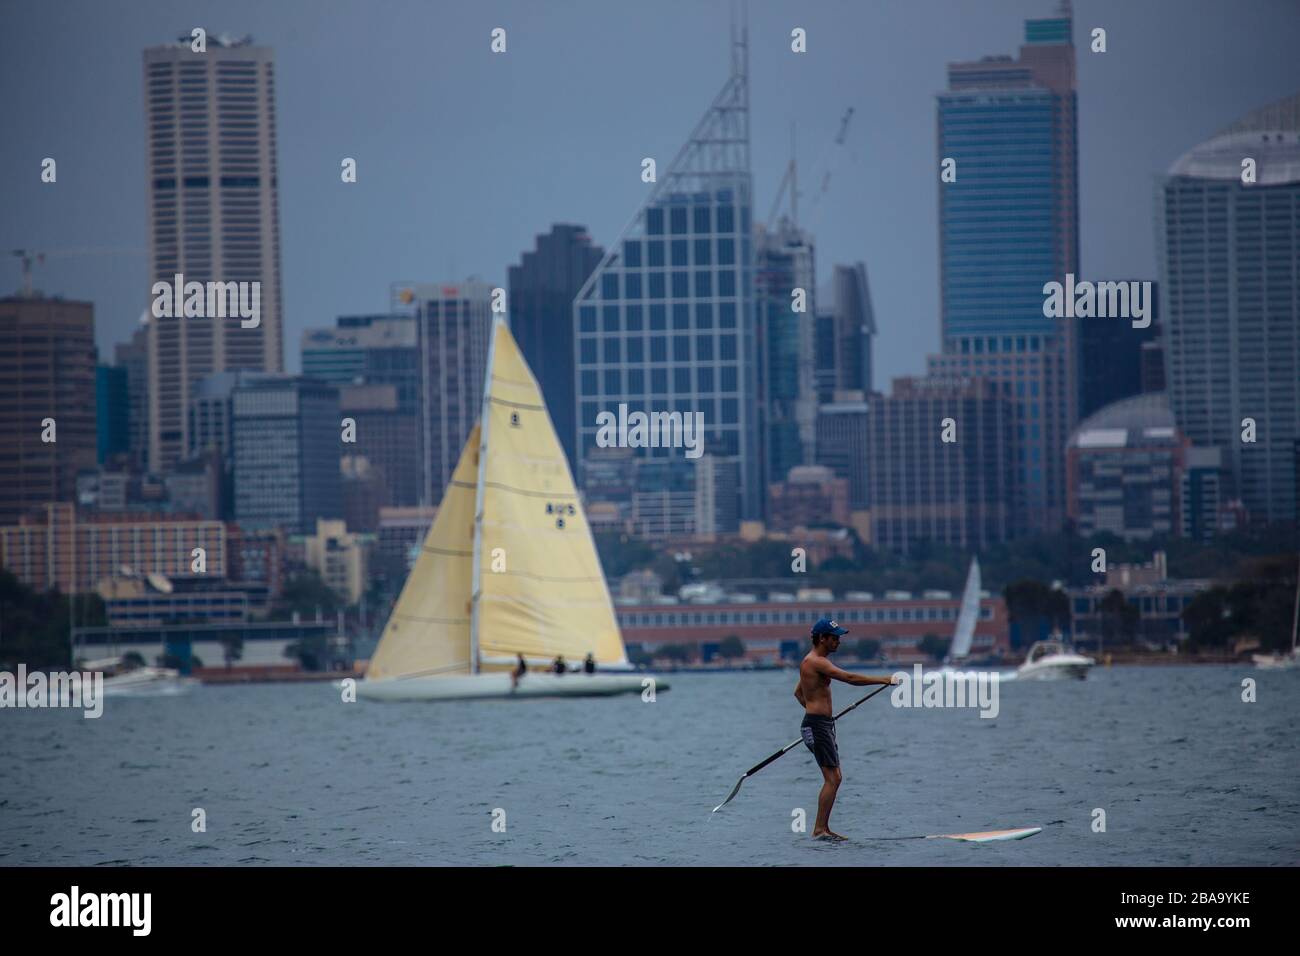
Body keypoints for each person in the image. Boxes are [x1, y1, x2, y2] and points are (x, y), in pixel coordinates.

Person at [795, 617, 897, 841]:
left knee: (836, 777)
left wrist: (817, 712)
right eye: (835, 638)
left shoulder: (810, 662)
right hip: (817, 726)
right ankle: (819, 830)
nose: (838, 642)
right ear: (822, 638)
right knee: (832, 779)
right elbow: (849, 678)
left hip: (820, 724)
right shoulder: (816, 662)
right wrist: (884, 680)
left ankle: (824, 828)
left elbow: (798, 693)